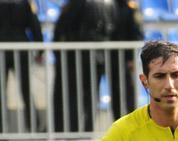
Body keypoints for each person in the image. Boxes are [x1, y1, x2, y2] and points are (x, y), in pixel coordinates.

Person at [51, 0, 117, 133]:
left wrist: (59, 53)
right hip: (98, 57)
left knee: (74, 96)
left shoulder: (76, 3)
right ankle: (87, 129)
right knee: (92, 95)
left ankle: (74, 131)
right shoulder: (109, 3)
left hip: (76, 58)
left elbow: (64, 28)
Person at [0, 0, 43, 133]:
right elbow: (35, 26)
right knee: (26, 90)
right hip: (21, 49)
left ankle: (2, 129)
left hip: (1, 49)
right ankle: (34, 127)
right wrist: (40, 50)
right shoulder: (24, 3)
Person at [108, 0, 143, 120]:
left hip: (125, 58)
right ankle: (117, 121)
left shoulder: (130, 8)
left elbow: (137, 34)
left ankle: (132, 120)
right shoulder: (110, 6)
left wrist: (132, 58)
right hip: (111, 57)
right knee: (115, 92)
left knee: (128, 91)